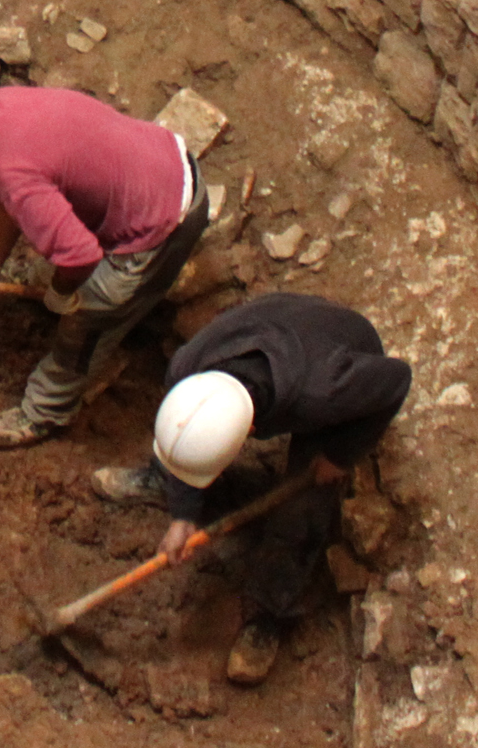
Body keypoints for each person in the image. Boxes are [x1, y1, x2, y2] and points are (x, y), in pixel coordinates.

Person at [91, 292, 412, 685]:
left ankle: (268, 612)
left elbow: (398, 378)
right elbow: (190, 431)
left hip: (343, 346)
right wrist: (183, 515)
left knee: (303, 508)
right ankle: (162, 478)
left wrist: (341, 456)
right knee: (185, 436)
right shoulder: (187, 370)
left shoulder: (325, 394)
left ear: (251, 434)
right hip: (284, 325)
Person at [0, 76, 211, 449]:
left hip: (165, 223)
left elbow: (81, 254)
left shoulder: (10, 168)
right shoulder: (0, 105)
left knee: (84, 323)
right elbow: (10, 195)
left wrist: (62, 293)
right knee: (71, 265)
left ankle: (44, 413)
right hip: (165, 161)